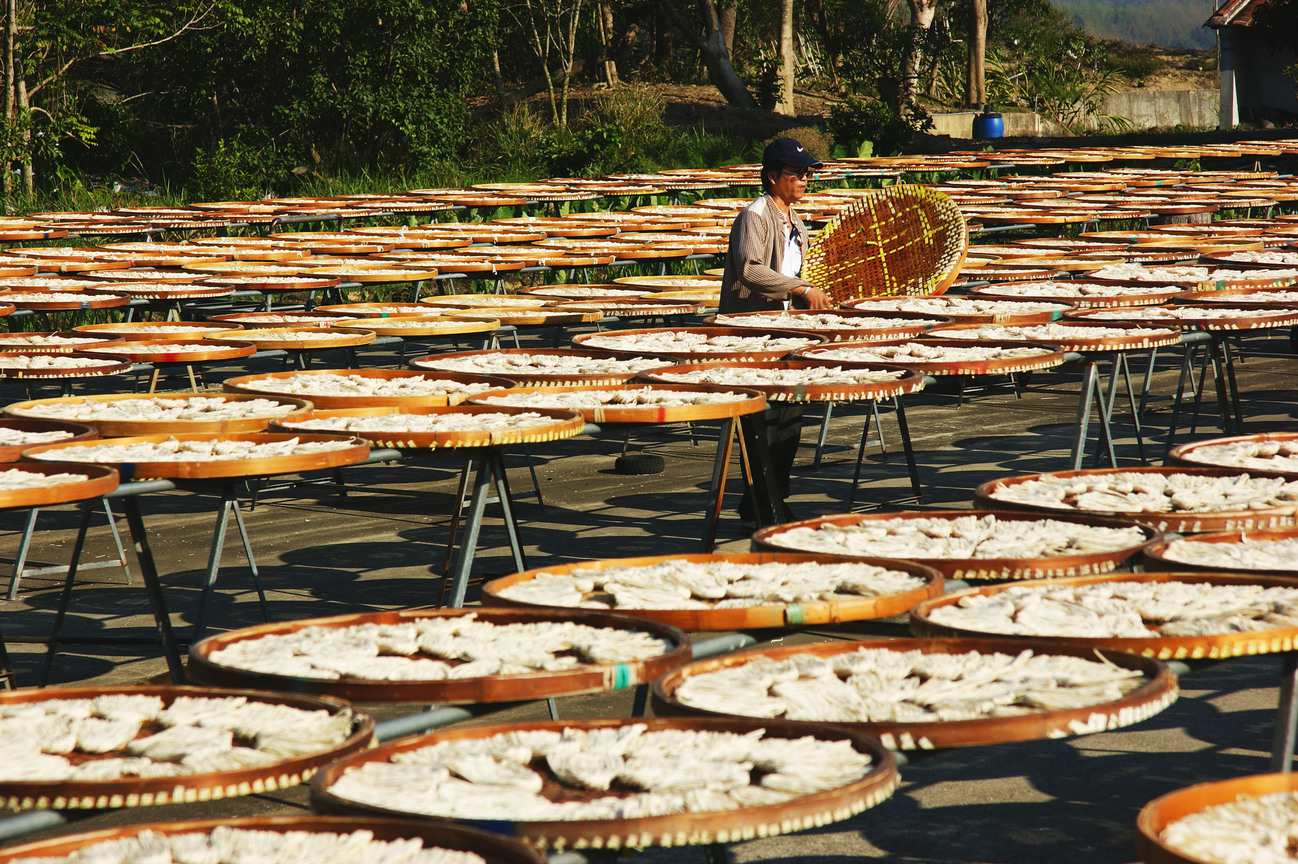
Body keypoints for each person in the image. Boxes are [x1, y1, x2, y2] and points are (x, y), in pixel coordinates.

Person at [720, 137, 832, 529]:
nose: (804, 180)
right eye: (795, 174)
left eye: (806, 174)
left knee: (790, 417)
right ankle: (765, 502)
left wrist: (807, 296)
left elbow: (791, 276)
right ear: (772, 178)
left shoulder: (796, 223)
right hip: (752, 333)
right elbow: (750, 270)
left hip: (785, 333)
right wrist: (799, 288)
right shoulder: (755, 216)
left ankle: (767, 499)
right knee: (762, 422)